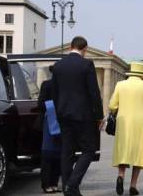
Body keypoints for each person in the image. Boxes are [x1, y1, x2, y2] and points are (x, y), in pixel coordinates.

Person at [51, 36, 104, 196]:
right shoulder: (86, 64)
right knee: (89, 149)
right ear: (84, 49)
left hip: (63, 114)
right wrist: (99, 116)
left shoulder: (58, 66)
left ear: (71, 47)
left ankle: (68, 188)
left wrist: (59, 110)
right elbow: (94, 92)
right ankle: (72, 184)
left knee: (67, 151)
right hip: (83, 115)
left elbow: (55, 92)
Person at [108, 62, 143, 196]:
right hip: (139, 123)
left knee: (123, 151)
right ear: (142, 75)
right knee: (138, 154)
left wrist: (117, 111)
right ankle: (133, 186)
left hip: (123, 122)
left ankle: (120, 176)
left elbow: (112, 105)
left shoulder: (120, 85)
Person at [38, 66, 61, 194]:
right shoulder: (46, 85)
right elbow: (40, 104)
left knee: (58, 154)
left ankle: (53, 183)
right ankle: (47, 184)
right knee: (48, 154)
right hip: (49, 121)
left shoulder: (64, 86)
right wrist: (54, 108)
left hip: (61, 123)